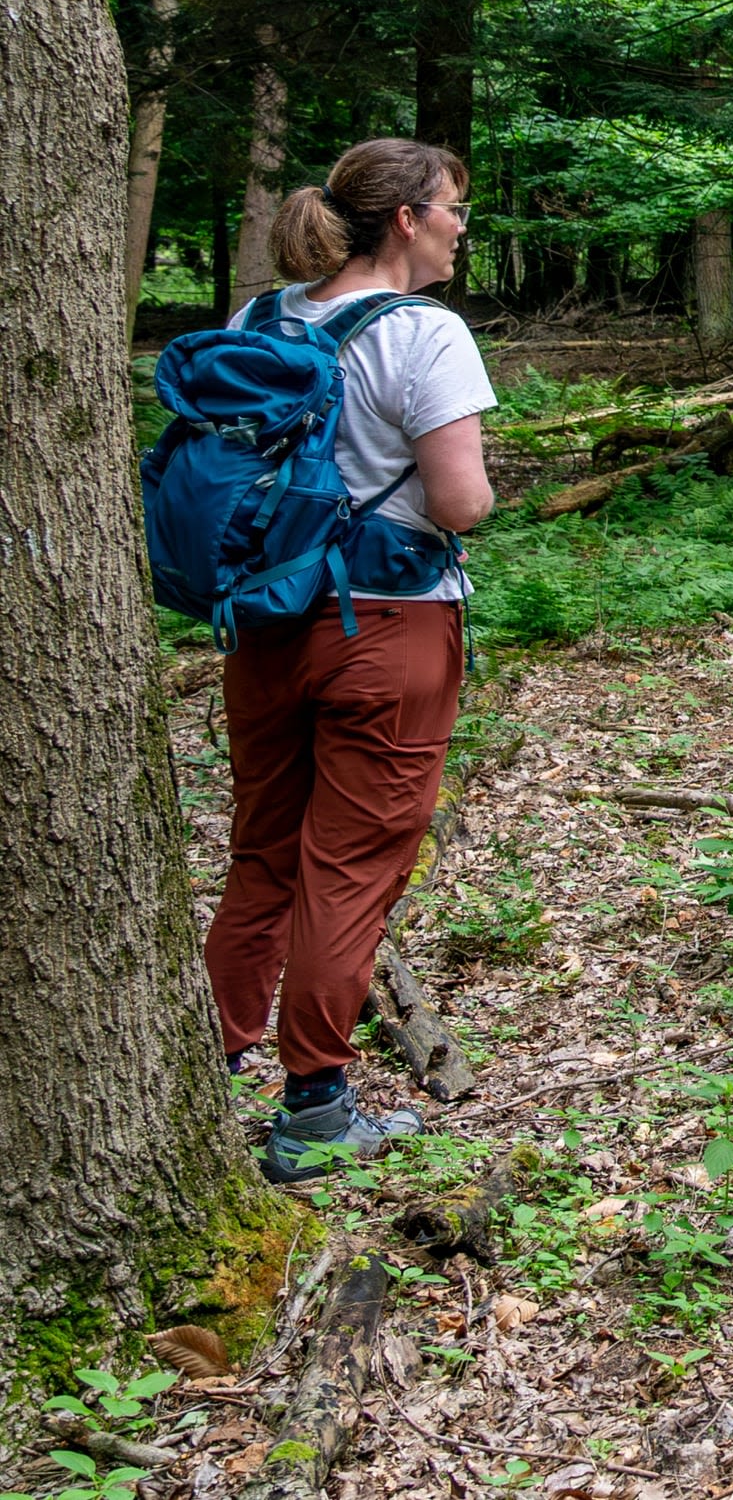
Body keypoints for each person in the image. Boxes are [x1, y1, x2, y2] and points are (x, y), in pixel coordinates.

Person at [202, 138, 498, 1182]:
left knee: (265, 851)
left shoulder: (261, 320)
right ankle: (316, 1109)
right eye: (455, 207)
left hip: (266, 622)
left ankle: (206, 1064)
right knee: (351, 870)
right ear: (409, 219)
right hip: (390, 625)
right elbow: (460, 502)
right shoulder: (427, 334)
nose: (465, 225)